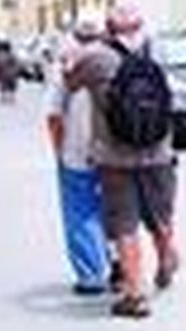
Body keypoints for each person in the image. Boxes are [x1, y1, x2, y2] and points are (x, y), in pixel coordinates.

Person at [66, 4, 179, 320]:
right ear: (141, 27)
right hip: (159, 152)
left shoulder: (96, 58)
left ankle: (135, 295)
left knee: (124, 225)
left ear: (109, 30)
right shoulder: (157, 53)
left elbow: (70, 82)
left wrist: (72, 58)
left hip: (115, 159)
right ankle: (167, 257)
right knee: (160, 214)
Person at [44, 20, 114, 295]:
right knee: (115, 209)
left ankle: (91, 275)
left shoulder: (66, 65)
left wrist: (58, 151)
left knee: (79, 212)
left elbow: (53, 115)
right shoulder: (114, 59)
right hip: (115, 153)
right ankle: (120, 264)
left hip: (76, 152)